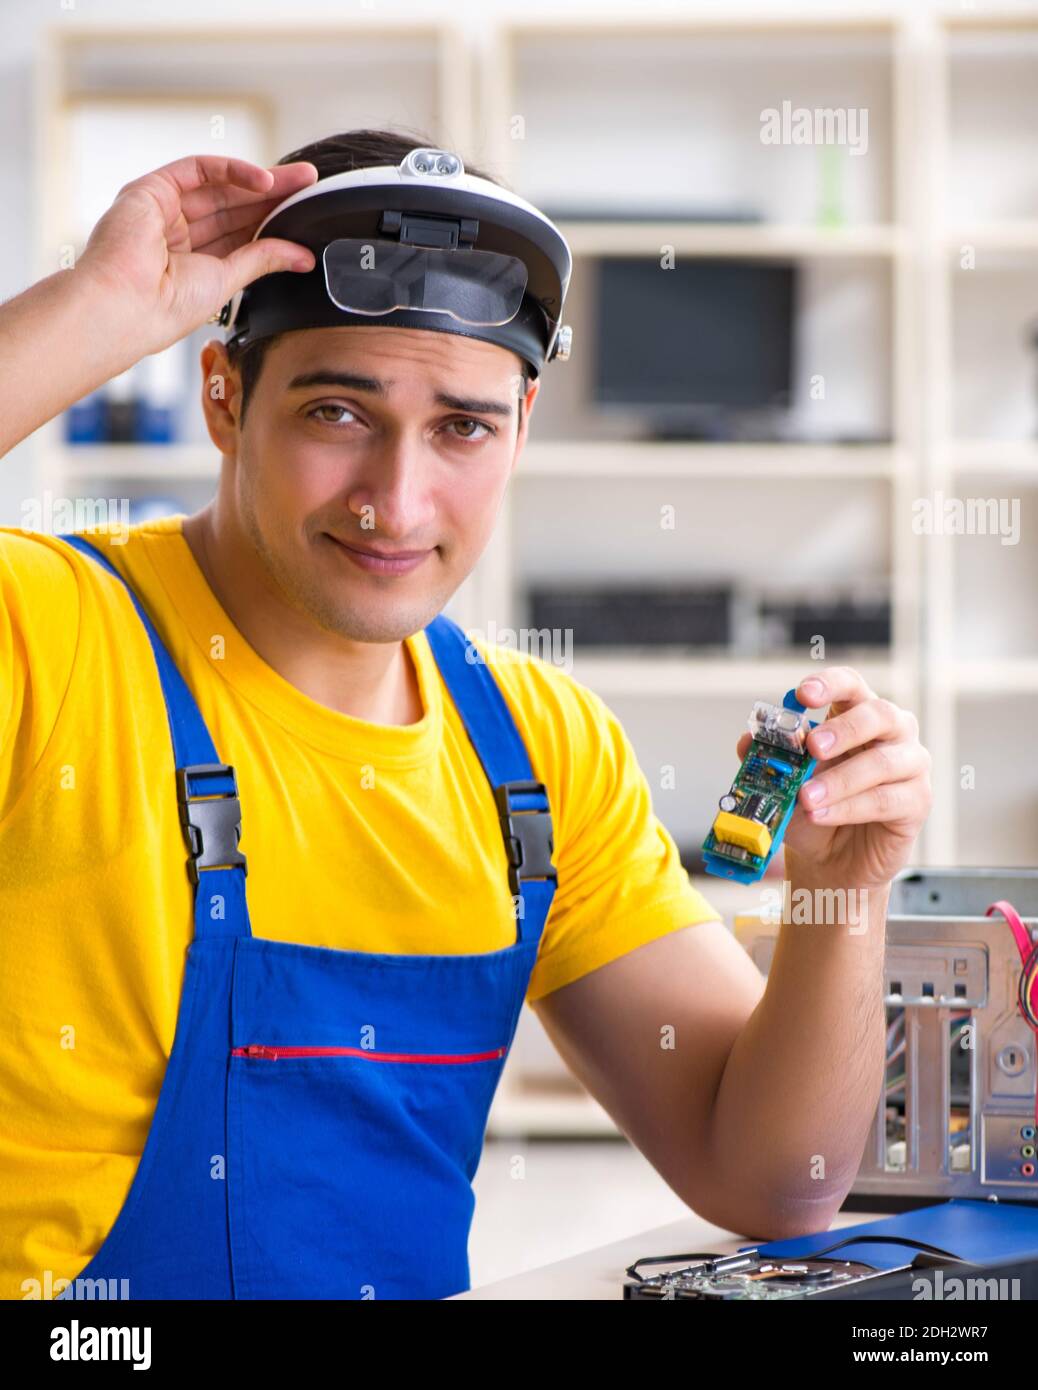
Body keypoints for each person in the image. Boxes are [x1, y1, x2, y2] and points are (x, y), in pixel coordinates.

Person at [0, 127, 932, 1301]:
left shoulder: (535, 750)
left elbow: (777, 1181)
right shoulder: (47, 635)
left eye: (463, 427)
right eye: (338, 412)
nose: (397, 501)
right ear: (224, 399)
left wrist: (843, 892)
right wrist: (93, 310)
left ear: (522, 427)